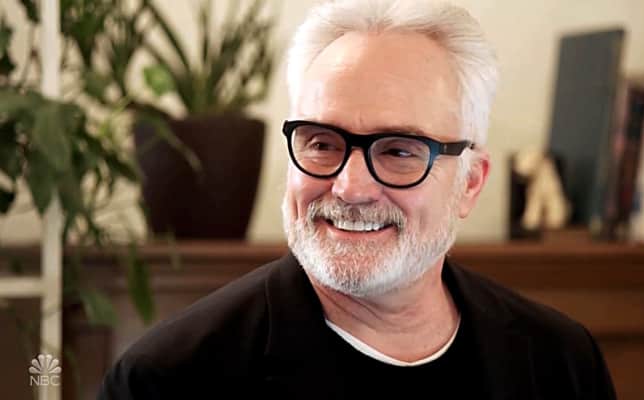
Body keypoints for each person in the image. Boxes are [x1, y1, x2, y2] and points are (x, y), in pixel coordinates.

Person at [98, 0, 617, 398]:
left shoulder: (561, 363)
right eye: (322, 144)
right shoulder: (167, 380)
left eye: (398, 151)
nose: (350, 187)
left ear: (470, 184)